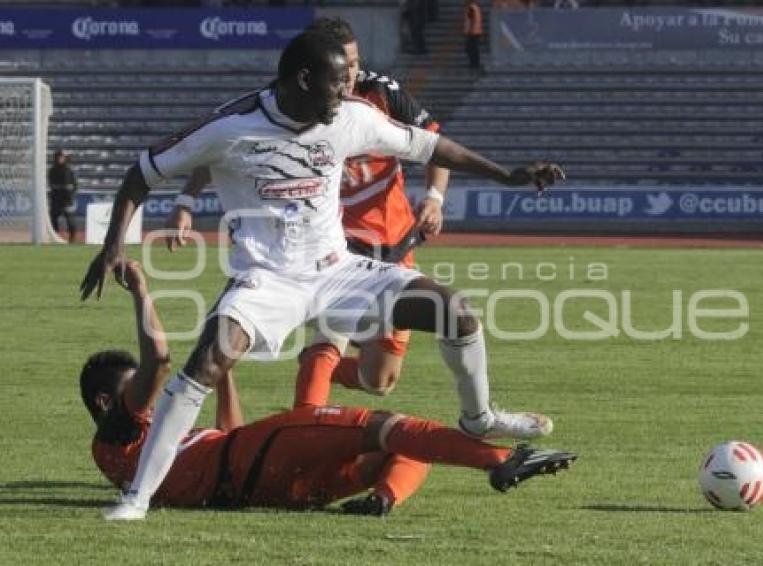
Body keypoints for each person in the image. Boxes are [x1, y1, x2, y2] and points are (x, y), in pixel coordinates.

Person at [80, 30, 565, 520]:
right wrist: (112, 246)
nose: (345, 94)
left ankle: (478, 418)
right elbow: (142, 172)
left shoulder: (351, 115)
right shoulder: (231, 125)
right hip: (266, 278)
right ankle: (137, 498)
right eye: (337, 84)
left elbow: (428, 145)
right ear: (303, 80)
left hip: (339, 270)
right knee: (204, 366)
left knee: (454, 311)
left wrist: (507, 175)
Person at [82, 259, 577, 515]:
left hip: (266, 483)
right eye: (133, 390)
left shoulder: (147, 448)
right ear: (108, 402)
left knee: (403, 445)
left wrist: (222, 370)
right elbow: (161, 361)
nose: (146, 398)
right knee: (386, 426)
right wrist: (143, 291)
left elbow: (223, 433)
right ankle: (498, 460)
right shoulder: (117, 436)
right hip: (253, 462)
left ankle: (382, 499)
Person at [166, 17, 451, 405]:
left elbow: (436, 144)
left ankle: (318, 370)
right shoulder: (289, 102)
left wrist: (434, 197)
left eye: (354, 63)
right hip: (336, 247)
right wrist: (186, 200)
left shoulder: (381, 95)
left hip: (395, 242)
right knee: (331, 336)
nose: (351, 74)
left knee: (380, 380)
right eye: (343, 65)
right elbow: (221, 149)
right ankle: (304, 424)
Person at [48, 149, 78, 242]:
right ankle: (55, 237)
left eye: (61, 157)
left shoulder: (69, 170)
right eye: (58, 157)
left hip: (67, 200)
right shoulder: (52, 170)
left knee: (71, 221)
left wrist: (71, 194)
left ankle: (72, 239)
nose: (59, 159)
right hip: (56, 200)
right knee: (53, 219)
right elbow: (51, 183)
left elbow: (75, 184)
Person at [464, 0, 483, 72]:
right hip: (477, 32)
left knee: (472, 50)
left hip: (472, 33)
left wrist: (469, 31)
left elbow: (471, 20)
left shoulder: (471, 8)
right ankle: (476, 64)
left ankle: (473, 65)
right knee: (475, 49)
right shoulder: (476, 7)